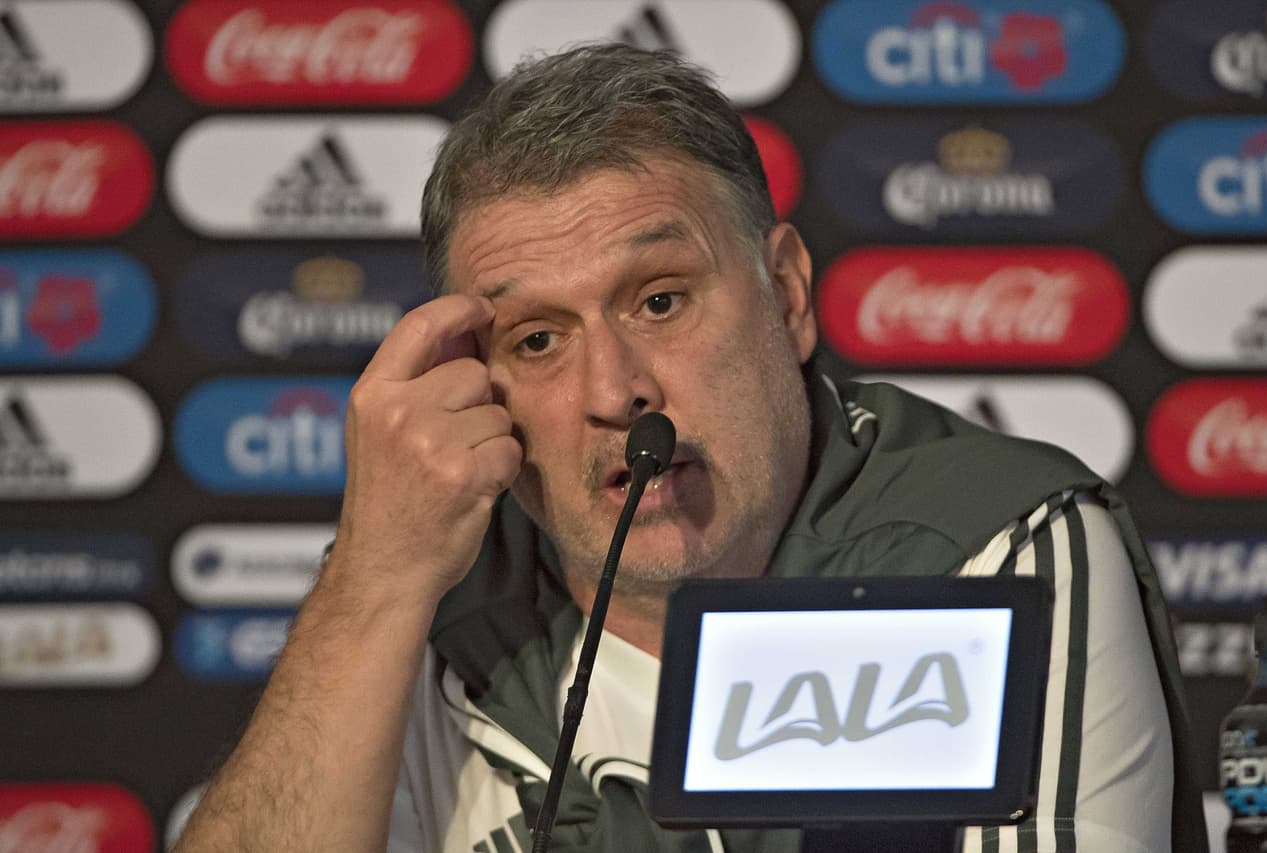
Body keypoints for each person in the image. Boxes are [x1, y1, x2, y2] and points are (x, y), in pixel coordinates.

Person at [174, 45, 1207, 853]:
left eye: (659, 300)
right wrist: (371, 583)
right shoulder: (410, 605)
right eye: (536, 339)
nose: (613, 388)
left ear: (786, 296)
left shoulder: (988, 546)